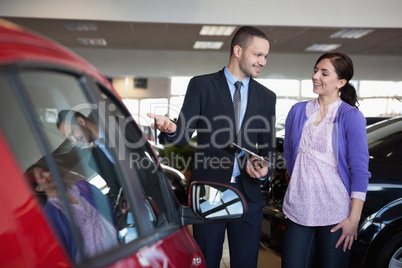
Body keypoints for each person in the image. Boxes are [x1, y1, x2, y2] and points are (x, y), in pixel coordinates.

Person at [148, 26, 276, 268]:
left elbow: (267, 148)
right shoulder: (202, 85)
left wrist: (264, 168)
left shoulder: (267, 97)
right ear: (238, 51)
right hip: (209, 192)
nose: (263, 62)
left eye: (266, 56)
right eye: (258, 55)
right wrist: (171, 129)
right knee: (207, 261)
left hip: (248, 195)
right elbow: (184, 135)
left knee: (246, 263)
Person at [281, 52, 371, 268]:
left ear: (341, 82)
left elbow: (360, 170)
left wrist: (353, 219)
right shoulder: (297, 111)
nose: (315, 76)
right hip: (298, 209)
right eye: (315, 70)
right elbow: (290, 154)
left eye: (324, 73)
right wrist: (300, 185)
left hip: (336, 212)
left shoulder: (350, 116)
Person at [25, 164, 118, 262]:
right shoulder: (49, 213)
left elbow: (111, 211)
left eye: (46, 170)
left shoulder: (84, 187)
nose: (49, 173)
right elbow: (62, 248)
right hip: (94, 262)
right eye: (41, 176)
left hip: (119, 247)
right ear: (39, 188)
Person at [56, 110, 121, 197]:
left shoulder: (120, 125)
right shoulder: (95, 161)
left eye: (72, 133)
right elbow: (118, 191)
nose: (74, 140)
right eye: (70, 138)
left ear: (81, 121)